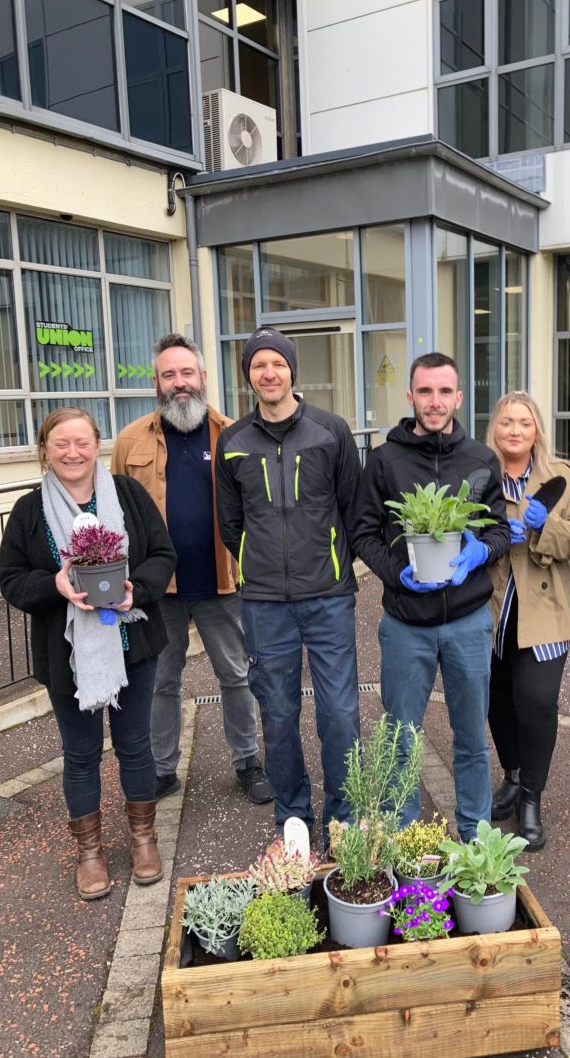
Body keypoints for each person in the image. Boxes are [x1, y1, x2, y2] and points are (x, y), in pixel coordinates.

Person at [0, 408, 177, 900]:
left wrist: (135, 591)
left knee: (135, 745)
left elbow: (163, 555)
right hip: (68, 655)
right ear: (45, 450)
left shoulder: (130, 496)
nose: (72, 453)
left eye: (81, 443)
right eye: (61, 444)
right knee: (80, 755)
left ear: (96, 444)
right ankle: (90, 853)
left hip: (132, 645)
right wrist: (55, 584)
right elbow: (10, 579)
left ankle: (143, 841)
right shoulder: (30, 511)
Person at [354, 352, 510, 841]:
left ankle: (476, 838)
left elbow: (502, 531)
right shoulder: (384, 460)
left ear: (459, 397)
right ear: (410, 397)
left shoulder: (481, 459)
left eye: (445, 392)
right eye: (425, 391)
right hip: (405, 625)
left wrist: (478, 552)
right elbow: (363, 535)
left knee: (471, 739)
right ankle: (402, 839)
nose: (435, 401)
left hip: (467, 621)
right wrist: (400, 575)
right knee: (401, 740)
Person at [111, 333, 271, 806]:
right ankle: (162, 769)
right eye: (168, 375)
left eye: (187, 373)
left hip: (223, 580)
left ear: (203, 377)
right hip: (158, 588)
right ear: (157, 383)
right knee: (162, 680)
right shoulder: (130, 440)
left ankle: (247, 761)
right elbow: (117, 513)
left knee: (237, 676)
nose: (179, 383)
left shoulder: (234, 434)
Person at [216, 326, 361, 842]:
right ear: (249, 377)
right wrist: (252, 566)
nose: (268, 373)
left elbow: (352, 508)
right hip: (264, 605)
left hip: (327, 597)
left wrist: (336, 567)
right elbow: (230, 524)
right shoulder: (232, 441)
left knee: (340, 713)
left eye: (277, 363)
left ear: (292, 371)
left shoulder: (330, 431)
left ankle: (345, 818)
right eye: (258, 365)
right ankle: (294, 817)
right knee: (277, 715)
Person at [485, 392, 570, 851]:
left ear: (536, 431)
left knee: (536, 704)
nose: (514, 430)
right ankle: (511, 775)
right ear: (495, 428)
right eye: (506, 421)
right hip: (488, 609)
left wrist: (543, 526)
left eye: (524, 423)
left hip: (544, 612)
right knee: (496, 702)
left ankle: (531, 797)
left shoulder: (560, 477)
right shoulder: (477, 473)